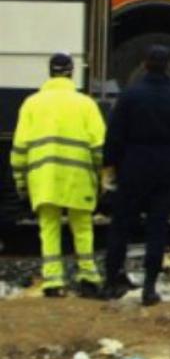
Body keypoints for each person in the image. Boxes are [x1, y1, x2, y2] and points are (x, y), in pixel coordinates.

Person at [102, 45, 170, 306]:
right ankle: (149, 288)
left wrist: (109, 166)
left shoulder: (130, 96)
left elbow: (114, 136)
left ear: (144, 64)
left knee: (121, 226)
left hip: (133, 167)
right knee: (157, 230)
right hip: (166, 171)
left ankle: (111, 281)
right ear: (169, 66)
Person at [8, 53, 105, 298]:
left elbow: (20, 149)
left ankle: (53, 281)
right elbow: (99, 148)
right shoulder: (86, 104)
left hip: (44, 178)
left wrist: (21, 181)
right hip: (78, 176)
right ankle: (88, 278)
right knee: (82, 228)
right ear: (72, 73)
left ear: (50, 73)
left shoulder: (32, 103)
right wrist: (102, 176)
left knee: (48, 228)